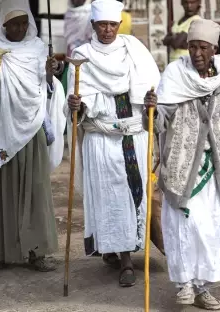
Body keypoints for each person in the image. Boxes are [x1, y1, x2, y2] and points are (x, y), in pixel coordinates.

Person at [0, 0, 66, 272]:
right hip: (1, 131)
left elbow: (47, 91)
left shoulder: (39, 50)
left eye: (23, 23)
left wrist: (51, 75)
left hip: (32, 130)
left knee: (35, 190)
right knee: (1, 191)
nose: (18, 28)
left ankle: (36, 251)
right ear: (2, 24)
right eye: (12, 23)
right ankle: (1, 250)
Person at [143, 19, 220, 310]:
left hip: (216, 165)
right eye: (192, 46)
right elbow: (160, 118)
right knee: (186, 224)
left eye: (203, 47)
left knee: (211, 226)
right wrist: (152, 108)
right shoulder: (175, 75)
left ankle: (203, 288)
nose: (197, 53)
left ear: (214, 49)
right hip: (182, 165)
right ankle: (184, 283)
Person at [66, 0, 160, 287]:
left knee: (134, 193)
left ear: (119, 25)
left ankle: (125, 248)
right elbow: (74, 102)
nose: (107, 30)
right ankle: (125, 260)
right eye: (102, 25)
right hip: (101, 140)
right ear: (93, 25)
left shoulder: (134, 51)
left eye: (112, 25)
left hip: (133, 135)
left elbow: (152, 87)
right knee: (111, 197)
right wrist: (74, 104)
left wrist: (150, 103)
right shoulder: (81, 57)